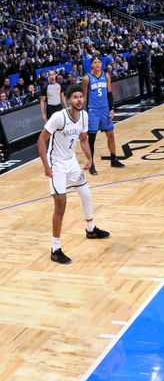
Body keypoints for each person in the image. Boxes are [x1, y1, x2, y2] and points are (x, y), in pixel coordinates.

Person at [37, 84, 110, 264]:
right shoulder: (58, 117)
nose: (79, 100)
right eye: (75, 97)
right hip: (57, 165)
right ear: (68, 100)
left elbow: (83, 139)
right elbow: (40, 141)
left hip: (71, 162)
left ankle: (91, 229)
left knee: (87, 195)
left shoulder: (84, 116)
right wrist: (47, 167)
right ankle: (55, 248)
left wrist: (89, 158)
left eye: (81, 96)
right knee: (61, 205)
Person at [82, 56, 125, 175]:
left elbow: (109, 93)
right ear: (91, 65)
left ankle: (113, 159)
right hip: (93, 111)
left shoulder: (106, 76)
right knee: (92, 139)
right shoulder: (87, 79)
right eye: (94, 62)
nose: (97, 64)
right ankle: (91, 164)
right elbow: (84, 98)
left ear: (101, 63)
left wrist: (112, 108)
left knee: (110, 135)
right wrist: (83, 114)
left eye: (99, 62)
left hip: (105, 110)